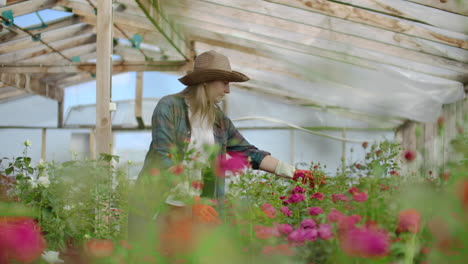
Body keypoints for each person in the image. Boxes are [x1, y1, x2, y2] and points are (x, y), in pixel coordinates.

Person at [128, 50, 311, 259]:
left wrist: (292, 172)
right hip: (163, 206)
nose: (228, 90)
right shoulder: (169, 107)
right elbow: (164, 157)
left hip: (201, 208)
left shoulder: (218, 119)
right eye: (224, 82)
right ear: (205, 82)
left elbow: (249, 152)